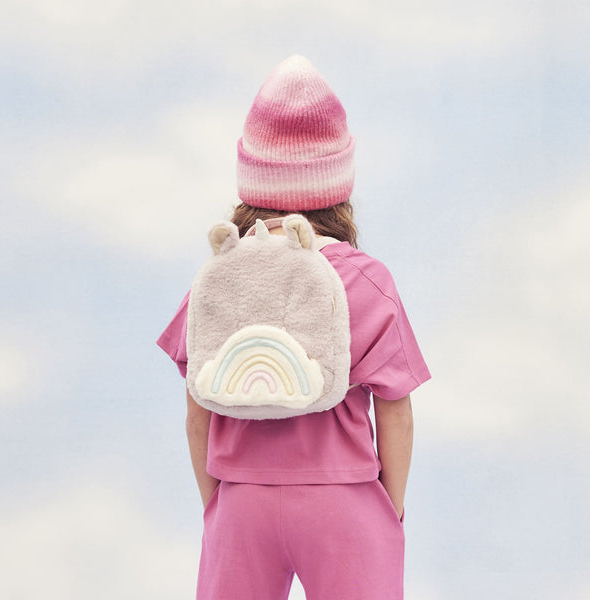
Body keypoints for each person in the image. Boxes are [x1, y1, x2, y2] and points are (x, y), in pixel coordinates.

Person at [157, 55, 431, 600]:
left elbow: (196, 413)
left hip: (242, 497)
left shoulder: (219, 277)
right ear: (338, 181)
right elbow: (395, 411)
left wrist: (219, 504)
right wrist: (389, 509)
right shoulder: (364, 278)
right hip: (343, 499)